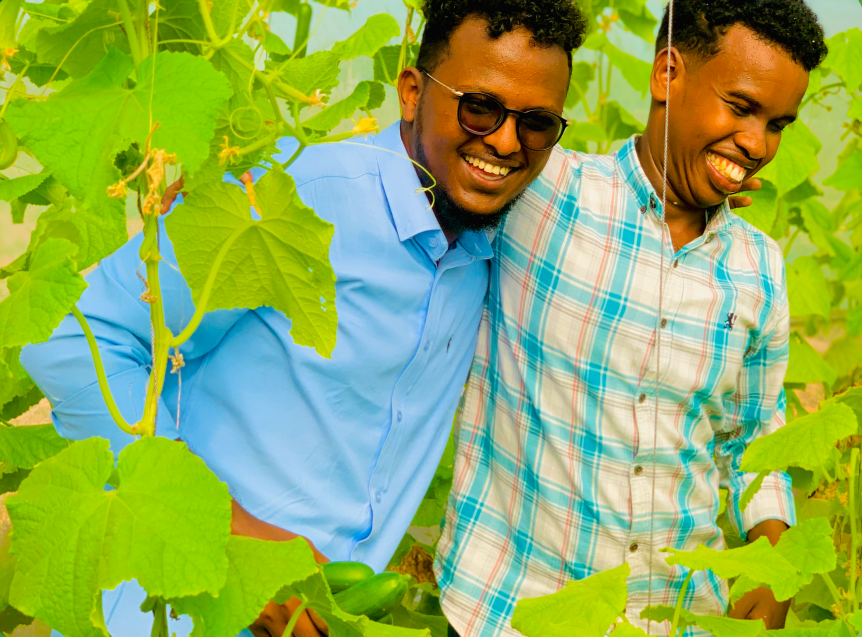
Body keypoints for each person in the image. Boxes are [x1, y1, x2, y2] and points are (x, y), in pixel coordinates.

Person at [20, 2, 586, 636]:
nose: (506, 141)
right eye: (478, 106)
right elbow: (68, 335)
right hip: (174, 611)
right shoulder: (291, 200)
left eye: (536, 123)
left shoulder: (493, 247)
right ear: (410, 93)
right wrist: (229, 538)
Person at [434, 1, 828, 635]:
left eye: (778, 124)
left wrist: (771, 555)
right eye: (741, 108)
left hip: (681, 618)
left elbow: (754, 437)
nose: (758, 143)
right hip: (510, 609)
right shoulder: (542, 192)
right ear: (666, 74)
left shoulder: (758, 267)